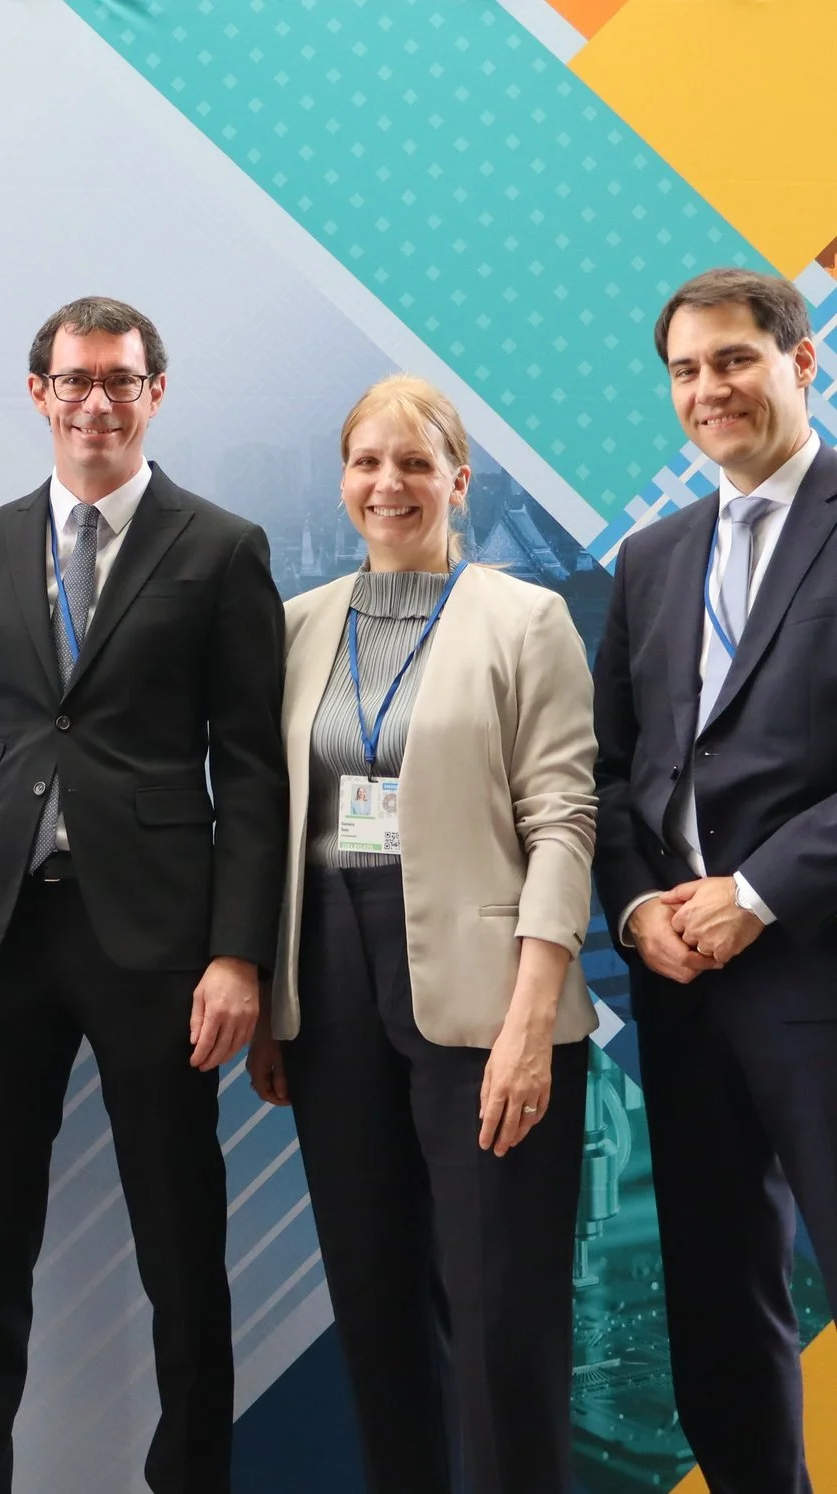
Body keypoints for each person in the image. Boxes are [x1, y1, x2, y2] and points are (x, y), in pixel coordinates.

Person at [0, 296, 287, 1493]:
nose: (95, 402)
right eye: (74, 380)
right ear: (40, 394)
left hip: (157, 943)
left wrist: (238, 955)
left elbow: (254, 768)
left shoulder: (220, 546)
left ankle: (191, 1476)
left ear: (154, 393)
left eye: (120, 380)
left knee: (181, 1242)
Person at [244, 375, 596, 1494]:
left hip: (488, 994)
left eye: (412, 463)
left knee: (501, 1319)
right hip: (330, 984)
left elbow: (562, 815)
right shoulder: (298, 629)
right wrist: (268, 989)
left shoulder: (523, 618)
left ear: (458, 479)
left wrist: (532, 1019)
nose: (386, 484)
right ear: (343, 481)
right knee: (374, 1304)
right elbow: (273, 823)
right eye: (365, 463)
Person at [593, 266, 837, 1492]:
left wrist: (755, 892)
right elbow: (613, 767)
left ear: (801, 361)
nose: (707, 390)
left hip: (815, 965)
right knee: (718, 1303)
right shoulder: (650, 558)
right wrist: (641, 909)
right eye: (685, 370)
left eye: (732, 359)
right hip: (682, 990)